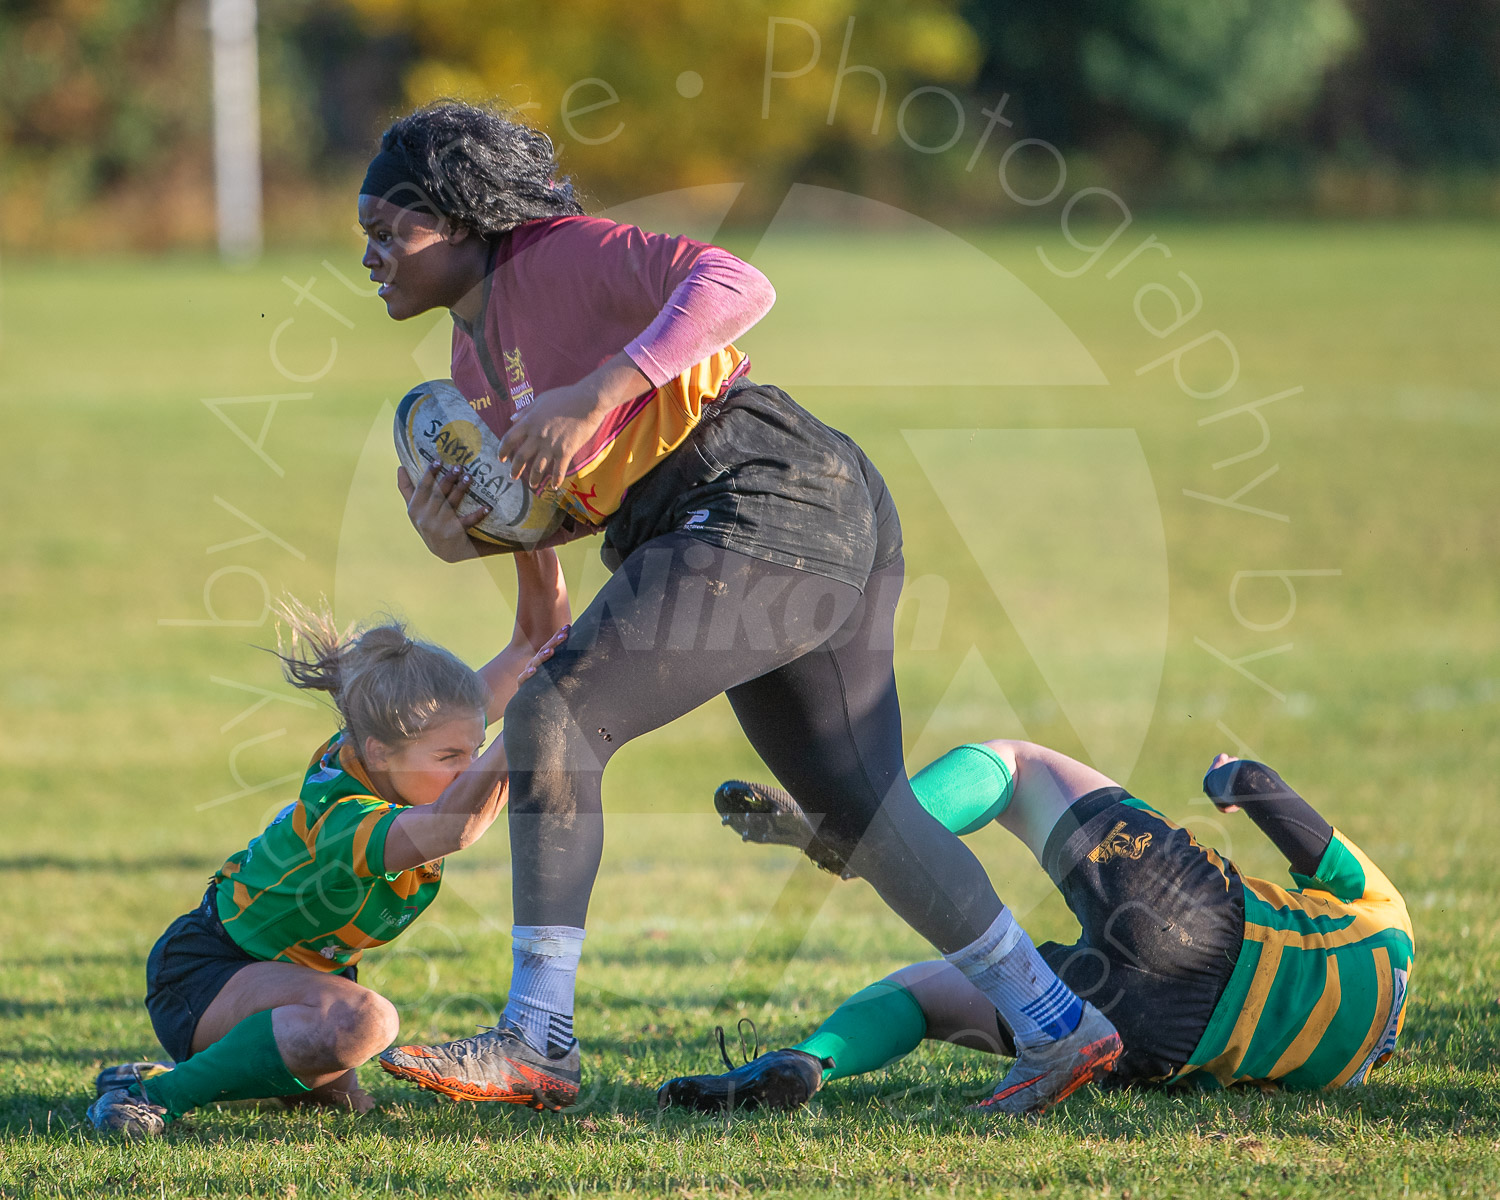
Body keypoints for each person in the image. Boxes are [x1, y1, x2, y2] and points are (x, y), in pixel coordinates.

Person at [357, 100, 1120, 1115]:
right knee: (865, 812)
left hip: (763, 491)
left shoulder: (555, 256)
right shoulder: (470, 364)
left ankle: (536, 1040)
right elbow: (566, 511)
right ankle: (1061, 1023)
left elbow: (735, 281)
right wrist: (466, 537)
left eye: (389, 230)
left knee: (557, 715)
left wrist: (598, 388)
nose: (370, 255)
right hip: (775, 509)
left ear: (463, 217)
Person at [86, 555, 570, 1138]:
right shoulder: (346, 817)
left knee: (342, 1107)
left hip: (287, 978)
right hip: (208, 974)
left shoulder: (398, 742)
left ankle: (159, 1074)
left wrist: (532, 532)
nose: (466, 767)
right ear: (380, 752)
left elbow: (537, 645)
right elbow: (454, 827)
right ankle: (152, 1095)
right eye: (450, 759)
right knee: (365, 1022)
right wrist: (526, 720)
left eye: (473, 748)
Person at [657, 741, 1414, 1113]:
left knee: (1015, 765)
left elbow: (1256, 789)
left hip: (1195, 914)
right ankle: (809, 1064)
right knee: (924, 999)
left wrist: (1228, 778)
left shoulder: (1391, 929)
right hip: (1159, 1039)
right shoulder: (1337, 1073)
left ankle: (861, 842)